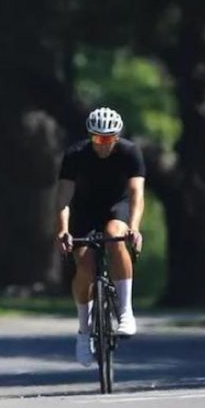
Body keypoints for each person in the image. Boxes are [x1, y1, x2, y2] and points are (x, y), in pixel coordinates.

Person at [56, 107, 145, 367]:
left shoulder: (130, 152)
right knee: (85, 264)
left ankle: (126, 311)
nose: (103, 144)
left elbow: (136, 194)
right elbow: (63, 197)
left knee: (114, 235)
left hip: (117, 207)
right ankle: (84, 332)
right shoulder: (75, 155)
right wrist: (63, 229)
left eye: (108, 138)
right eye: (97, 138)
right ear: (90, 136)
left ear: (117, 137)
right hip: (85, 211)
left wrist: (134, 227)